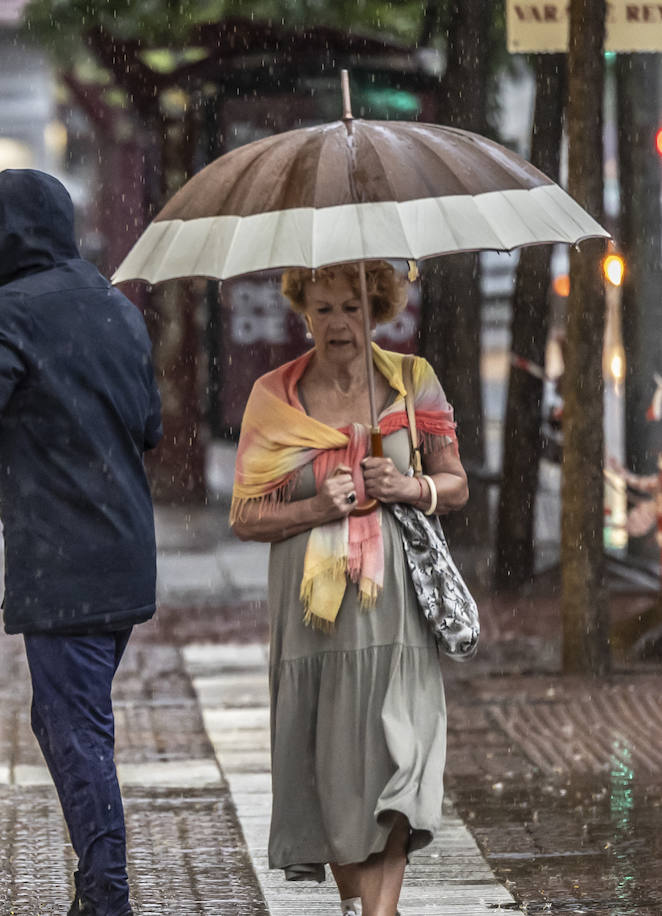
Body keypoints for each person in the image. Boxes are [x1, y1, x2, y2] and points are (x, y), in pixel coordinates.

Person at [0, 169, 161, 916]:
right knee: (66, 716)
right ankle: (96, 889)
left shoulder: (7, 313)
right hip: (123, 553)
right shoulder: (114, 306)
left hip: (61, 561)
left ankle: (106, 892)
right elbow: (147, 425)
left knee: (75, 725)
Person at [229, 262, 468, 916]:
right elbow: (246, 515)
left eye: (353, 308)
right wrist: (316, 508)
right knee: (335, 781)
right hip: (316, 625)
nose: (339, 323)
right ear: (303, 312)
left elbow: (456, 484)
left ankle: (378, 912)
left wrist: (410, 488)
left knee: (402, 765)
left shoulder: (412, 383)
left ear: (380, 310)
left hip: (396, 621)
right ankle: (370, 910)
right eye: (324, 308)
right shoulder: (273, 400)